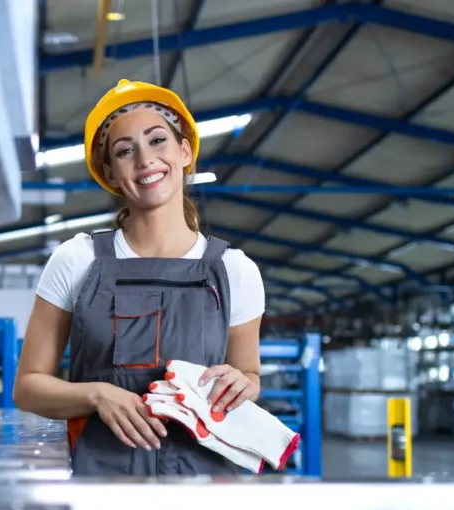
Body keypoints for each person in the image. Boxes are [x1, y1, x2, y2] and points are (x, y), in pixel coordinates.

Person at [13, 79, 265, 476]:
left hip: (204, 486)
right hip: (101, 487)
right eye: (125, 151)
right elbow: (27, 388)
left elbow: (248, 376)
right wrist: (96, 395)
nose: (145, 159)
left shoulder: (235, 270)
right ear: (111, 174)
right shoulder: (77, 260)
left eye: (157, 141)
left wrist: (243, 383)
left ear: (184, 151)